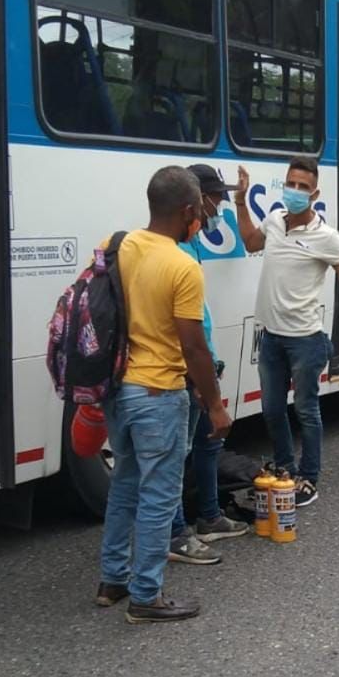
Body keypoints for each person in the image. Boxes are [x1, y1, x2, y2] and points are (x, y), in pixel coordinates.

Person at [96, 166, 232, 624]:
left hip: (119, 390)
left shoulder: (123, 245)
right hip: (160, 393)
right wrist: (215, 405)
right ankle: (146, 595)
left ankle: (112, 579)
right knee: (159, 495)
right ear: (190, 212)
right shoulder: (182, 265)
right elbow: (193, 346)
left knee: (126, 485)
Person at [234, 156, 339, 508]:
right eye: (291, 184)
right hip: (271, 337)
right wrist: (241, 202)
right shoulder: (274, 221)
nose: (295, 191)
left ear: (315, 193)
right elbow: (249, 242)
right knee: (272, 410)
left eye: (303, 187)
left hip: (305, 340)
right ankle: (287, 469)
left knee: (306, 410)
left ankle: (309, 478)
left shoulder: (326, 237)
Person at [168, 164, 250, 567]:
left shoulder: (190, 244)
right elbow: (188, 328)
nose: (217, 210)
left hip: (204, 366)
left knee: (207, 443)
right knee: (178, 452)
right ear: (196, 201)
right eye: (215, 200)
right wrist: (203, 378)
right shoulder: (176, 250)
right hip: (189, 371)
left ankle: (209, 516)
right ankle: (176, 532)